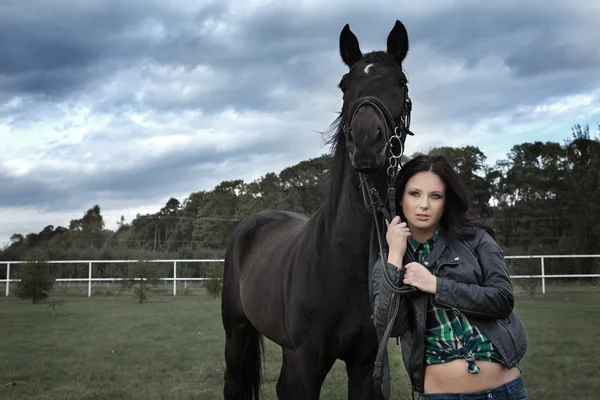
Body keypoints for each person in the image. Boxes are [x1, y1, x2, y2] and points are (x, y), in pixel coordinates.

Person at [371, 154, 529, 399]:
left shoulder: (476, 239)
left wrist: (435, 285)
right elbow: (389, 326)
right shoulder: (389, 260)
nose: (424, 204)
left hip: (504, 391)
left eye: (435, 196)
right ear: (400, 199)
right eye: (415, 194)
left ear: (446, 202)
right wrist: (395, 257)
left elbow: (502, 300)